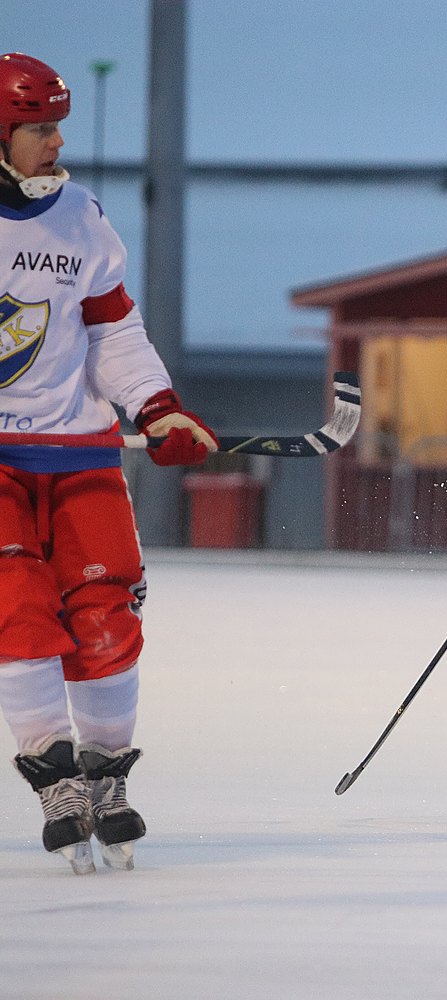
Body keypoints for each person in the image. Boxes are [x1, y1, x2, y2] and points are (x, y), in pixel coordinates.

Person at [0, 53, 218, 874]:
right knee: (17, 608)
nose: (57, 141)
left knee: (106, 611)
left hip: (77, 449)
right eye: (39, 128)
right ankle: (55, 779)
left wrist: (155, 408)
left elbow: (113, 332)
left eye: (58, 124)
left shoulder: (80, 216)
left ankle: (104, 779)